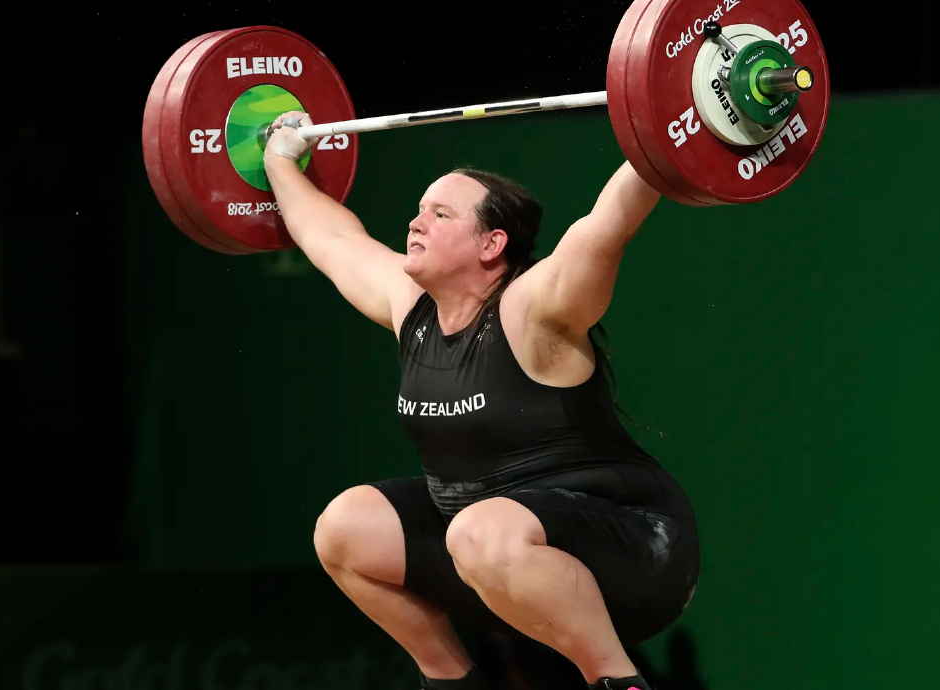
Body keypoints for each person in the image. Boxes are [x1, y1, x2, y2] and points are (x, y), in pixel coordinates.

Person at [262, 112, 700, 690]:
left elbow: (605, 227)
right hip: (491, 555)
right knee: (345, 528)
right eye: (420, 209)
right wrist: (278, 159)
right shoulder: (410, 306)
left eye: (441, 214)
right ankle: (452, 681)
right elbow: (331, 237)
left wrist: (673, 122)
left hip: (636, 551)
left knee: (478, 531)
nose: (416, 222)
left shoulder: (534, 309)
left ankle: (618, 681)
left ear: (492, 244)